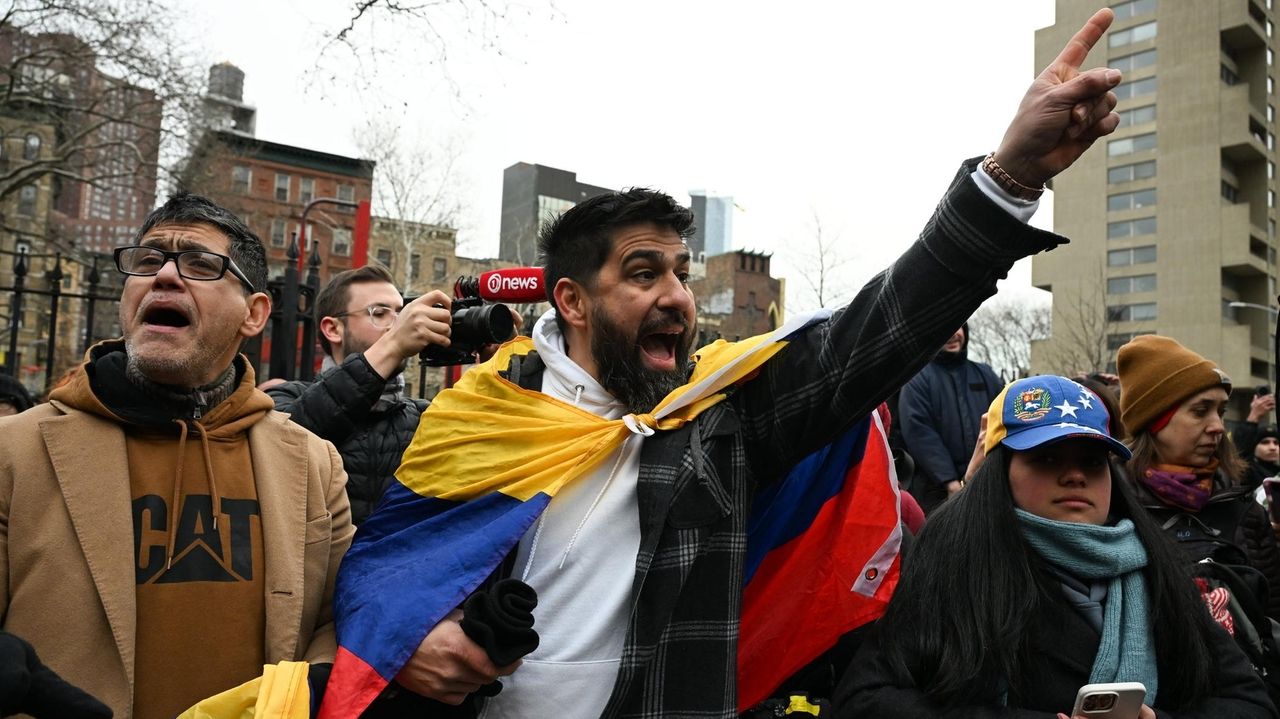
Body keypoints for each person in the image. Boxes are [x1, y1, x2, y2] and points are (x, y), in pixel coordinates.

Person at [328, 9, 1130, 718]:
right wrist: (406, 635)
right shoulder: (475, 418)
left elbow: (881, 326)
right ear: (571, 300)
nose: (677, 296)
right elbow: (375, 568)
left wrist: (1010, 180)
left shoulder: (720, 412)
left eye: (681, 271)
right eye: (644, 274)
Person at [0, 193, 354, 719]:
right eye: (147, 260)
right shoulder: (14, 453)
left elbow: (340, 619)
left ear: (254, 314)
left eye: (200, 264)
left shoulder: (313, 463)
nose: (164, 276)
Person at [835, 374, 1277, 718]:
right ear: (999, 472)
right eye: (1046, 457)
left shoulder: (1157, 569)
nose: (1075, 476)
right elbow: (864, 702)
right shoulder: (949, 565)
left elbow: (1251, 703)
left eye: (1091, 461)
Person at [266, 264, 452, 524]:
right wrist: (394, 344)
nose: (397, 324)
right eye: (379, 313)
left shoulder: (425, 415)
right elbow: (283, 447)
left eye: (400, 313)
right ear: (333, 329)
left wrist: (498, 365)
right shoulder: (284, 397)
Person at [1115, 334, 1280, 621]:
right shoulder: (1111, 509)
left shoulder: (1243, 509)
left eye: (1221, 411)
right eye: (1200, 411)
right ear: (1154, 420)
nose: (1217, 426)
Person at [897, 323, 1002, 513]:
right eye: (946, 328)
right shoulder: (918, 379)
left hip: (985, 483)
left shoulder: (985, 374)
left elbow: (1001, 419)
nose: (953, 334)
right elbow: (919, 432)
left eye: (959, 327)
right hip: (936, 492)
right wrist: (950, 481)